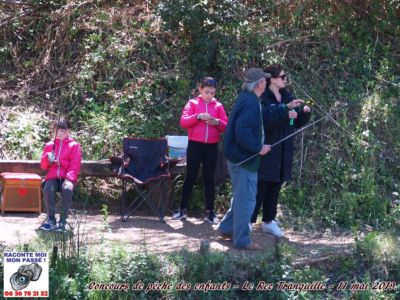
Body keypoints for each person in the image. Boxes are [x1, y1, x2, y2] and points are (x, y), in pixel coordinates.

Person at [217, 68, 303, 250]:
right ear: (259, 84)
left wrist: (286, 107)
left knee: (242, 196)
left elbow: (267, 114)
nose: (266, 82)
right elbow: (243, 132)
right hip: (243, 159)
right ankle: (241, 240)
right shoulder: (250, 102)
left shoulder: (249, 98)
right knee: (247, 200)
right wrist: (258, 148)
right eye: (263, 80)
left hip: (238, 157)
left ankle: (226, 229)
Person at [251, 64, 311, 237]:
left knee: (276, 186)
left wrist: (303, 115)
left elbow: (294, 124)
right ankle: (248, 221)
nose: (285, 79)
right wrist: (285, 114)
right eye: (282, 77)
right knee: (261, 186)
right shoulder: (263, 97)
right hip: (268, 148)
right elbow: (265, 123)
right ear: (272, 79)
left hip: (284, 149)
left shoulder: (287, 96)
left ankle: (269, 221)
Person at [172, 77, 228, 224]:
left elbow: (226, 126)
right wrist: (198, 116)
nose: (209, 95)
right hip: (195, 144)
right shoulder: (192, 103)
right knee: (190, 176)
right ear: (200, 90)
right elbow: (183, 122)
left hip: (212, 146)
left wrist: (217, 122)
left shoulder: (218, 106)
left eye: (212, 92)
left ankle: (210, 212)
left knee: (209, 178)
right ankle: (182, 209)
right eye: (207, 92)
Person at [39, 117, 82, 232]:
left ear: (68, 131)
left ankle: (63, 221)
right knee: (48, 187)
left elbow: (75, 165)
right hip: (53, 177)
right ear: (54, 131)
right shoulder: (49, 145)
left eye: (63, 130)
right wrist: (47, 157)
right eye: (58, 130)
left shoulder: (74, 145)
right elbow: (43, 167)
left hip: (66, 178)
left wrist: (69, 179)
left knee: (67, 189)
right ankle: (51, 220)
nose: (60, 133)